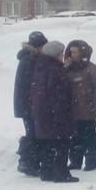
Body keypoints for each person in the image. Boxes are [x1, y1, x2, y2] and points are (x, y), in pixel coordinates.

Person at [29, 40, 77, 182]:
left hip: (41, 114)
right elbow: (59, 97)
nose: (63, 56)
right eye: (61, 53)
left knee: (47, 145)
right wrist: (63, 115)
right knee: (61, 145)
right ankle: (61, 174)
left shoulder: (40, 68)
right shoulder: (56, 72)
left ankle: (47, 171)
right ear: (56, 55)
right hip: (55, 115)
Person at [64, 39, 96, 172]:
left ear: (82, 53)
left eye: (75, 52)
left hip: (88, 111)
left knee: (89, 138)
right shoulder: (68, 68)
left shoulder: (92, 69)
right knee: (74, 138)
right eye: (71, 52)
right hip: (72, 110)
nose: (72, 55)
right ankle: (75, 161)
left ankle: (91, 162)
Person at [14, 31, 47, 176]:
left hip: (26, 104)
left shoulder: (28, 58)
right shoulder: (30, 61)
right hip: (29, 105)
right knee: (33, 134)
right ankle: (27, 162)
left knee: (32, 132)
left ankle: (30, 162)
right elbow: (32, 85)